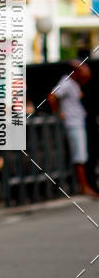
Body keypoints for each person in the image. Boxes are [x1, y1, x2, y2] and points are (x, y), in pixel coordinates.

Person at [48, 60, 97, 198]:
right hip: (73, 123)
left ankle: (84, 185)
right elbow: (52, 96)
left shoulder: (74, 84)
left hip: (78, 121)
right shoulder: (67, 83)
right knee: (79, 156)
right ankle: (84, 186)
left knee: (81, 155)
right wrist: (58, 113)